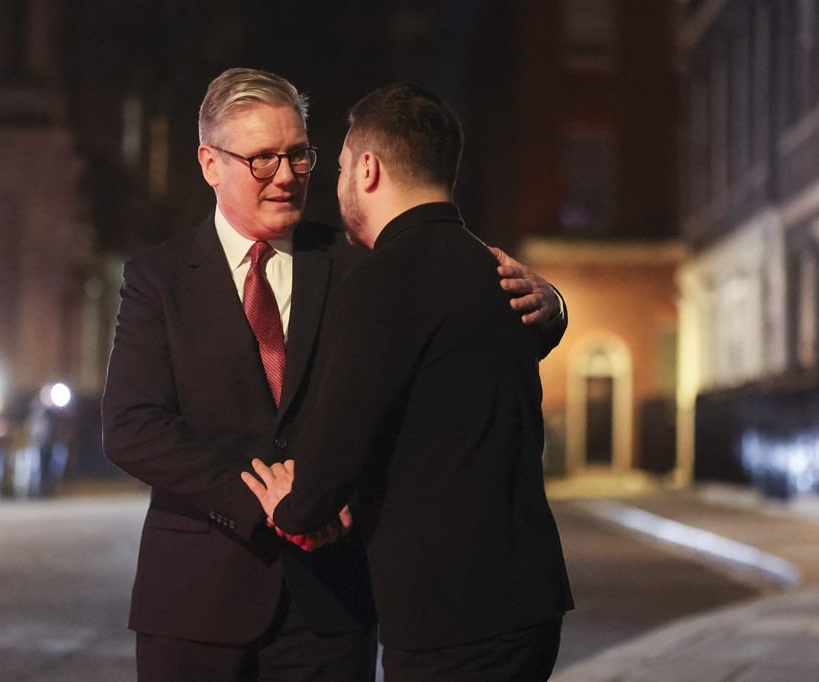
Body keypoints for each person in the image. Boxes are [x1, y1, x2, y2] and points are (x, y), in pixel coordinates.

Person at [101, 68, 567, 681]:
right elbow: (132, 427)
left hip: (331, 604)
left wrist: (551, 309)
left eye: (299, 155)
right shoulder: (157, 277)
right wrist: (266, 500)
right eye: (263, 159)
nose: (287, 175)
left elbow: (457, 347)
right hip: (195, 603)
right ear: (210, 163)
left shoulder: (361, 266)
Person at [241, 83, 574, 682]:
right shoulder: (499, 272)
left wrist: (292, 504)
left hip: (448, 615)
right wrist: (557, 307)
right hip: (530, 600)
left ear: (368, 169)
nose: (339, 183)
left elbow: (338, 436)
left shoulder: (381, 282)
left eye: (341, 167)